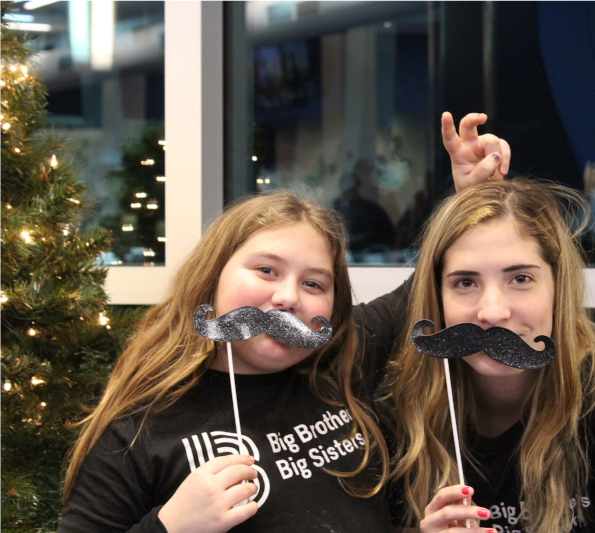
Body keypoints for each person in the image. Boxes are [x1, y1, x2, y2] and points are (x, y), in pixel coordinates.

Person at [58, 111, 510, 533]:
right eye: (266, 270)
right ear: (212, 277)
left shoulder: (342, 365)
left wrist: (473, 196)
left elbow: (425, 285)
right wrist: (171, 526)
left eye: (314, 285)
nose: (288, 297)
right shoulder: (137, 432)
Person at [383, 178, 595, 533]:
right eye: (465, 283)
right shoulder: (402, 396)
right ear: (437, 297)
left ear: (557, 287)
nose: (492, 313)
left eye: (520, 279)